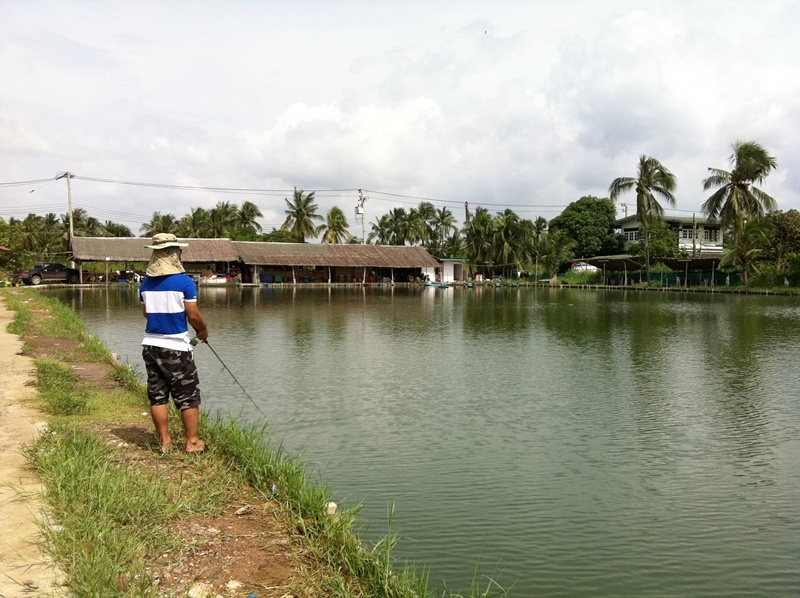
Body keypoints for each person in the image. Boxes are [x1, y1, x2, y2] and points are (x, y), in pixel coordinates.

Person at [139, 233, 209, 454]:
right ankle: (193, 442)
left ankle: (165, 441)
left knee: (157, 394)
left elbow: (145, 314)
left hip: (150, 346)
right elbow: (193, 315)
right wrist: (202, 331)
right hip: (177, 348)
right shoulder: (185, 283)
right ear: (174, 254)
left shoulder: (145, 284)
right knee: (188, 396)